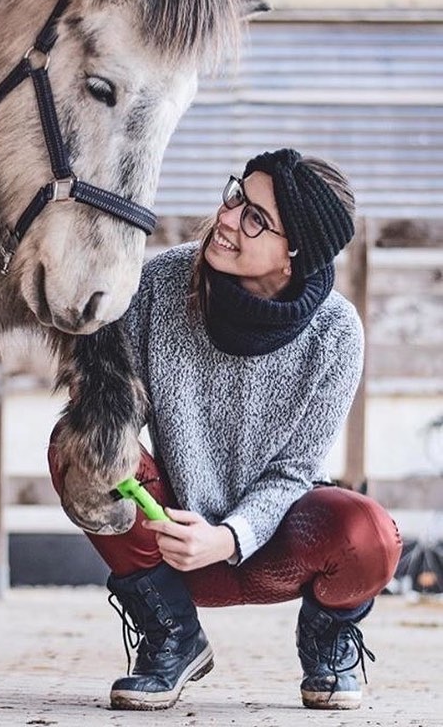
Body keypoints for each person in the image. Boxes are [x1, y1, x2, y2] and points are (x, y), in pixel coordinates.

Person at [48, 147, 402, 712]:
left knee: (371, 535)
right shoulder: (157, 284)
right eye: (238, 193)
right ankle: (173, 637)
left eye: (256, 217)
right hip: (168, 541)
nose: (229, 216)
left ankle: (327, 637)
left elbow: (294, 472)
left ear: (294, 254)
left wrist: (229, 536)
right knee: (82, 445)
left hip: (275, 548)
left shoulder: (337, 332)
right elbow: (114, 422)